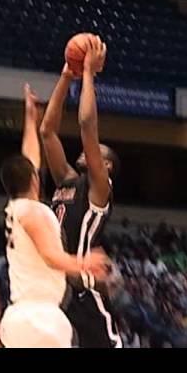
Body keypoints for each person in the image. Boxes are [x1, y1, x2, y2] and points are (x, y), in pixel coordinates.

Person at [0, 84, 110, 348]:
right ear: (35, 181)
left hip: (21, 315)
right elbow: (51, 256)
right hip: (40, 318)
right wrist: (84, 263)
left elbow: (29, 159)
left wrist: (30, 118)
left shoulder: (15, 207)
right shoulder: (33, 212)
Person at [40, 34, 123, 348]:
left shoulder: (100, 188)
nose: (90, 150)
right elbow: (47, 131)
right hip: (56, 287)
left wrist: (88, 73)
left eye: (98, 152)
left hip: (84, 292)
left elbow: (87, 124)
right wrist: (66, 75)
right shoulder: (67, 180)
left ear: (108, 167)